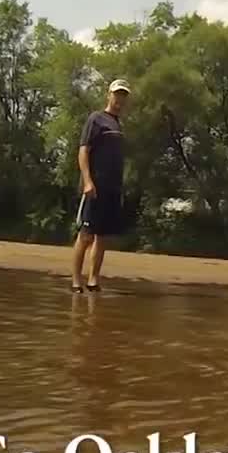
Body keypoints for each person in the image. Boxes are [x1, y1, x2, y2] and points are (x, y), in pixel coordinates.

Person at [71, 79, 130, 293]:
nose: (120, 99)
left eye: (123, 95)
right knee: (86, 235)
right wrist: (87, 181)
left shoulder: (118, 124)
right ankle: (76, 280)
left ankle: (93, 279)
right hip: (94, 187)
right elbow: (83, 151)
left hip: (112, 189)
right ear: (109, 95)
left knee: (102, 237)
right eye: (117, 94)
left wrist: (120, 188)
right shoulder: (96, 119)